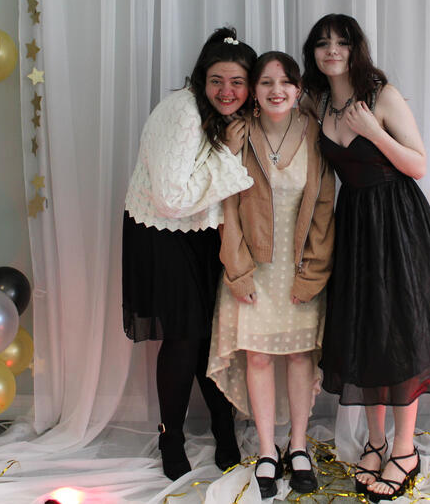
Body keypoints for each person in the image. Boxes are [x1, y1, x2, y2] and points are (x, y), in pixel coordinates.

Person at [301, 14, 430, 502]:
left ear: (357, 48)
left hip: (398, 222)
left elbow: (418, 165)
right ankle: (374, 443)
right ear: (313, 53)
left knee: (402, 332)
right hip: (353, 224)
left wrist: (373, 131)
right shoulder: (316, 102)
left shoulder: (382, 96)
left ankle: (405, 450)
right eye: (323, 43)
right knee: (365, 331)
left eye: (342, 42)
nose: (332, 50)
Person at [122, 27, 257, 481]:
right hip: (163, 232)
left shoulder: (231, 113)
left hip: (202, 232)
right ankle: (171, 436)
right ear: (202, 78)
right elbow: (171, 199)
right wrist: (229, 153)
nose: (227, 91)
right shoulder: (182, 111)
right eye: (217, 80)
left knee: (208, 335)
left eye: (237, 82)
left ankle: (223, 425)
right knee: (183, 337)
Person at [207, 52, 335, 498]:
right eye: (266, 82)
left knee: (300, 357)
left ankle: (298, 446)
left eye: (285, 82)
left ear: (298, 89)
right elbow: (227, 208)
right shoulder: (240, 135)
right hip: (252, 267)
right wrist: (237, 271)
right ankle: (266, 450)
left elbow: (324, 207)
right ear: (254, 92)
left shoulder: (316, 133)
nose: (276, 90)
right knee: (258, 358)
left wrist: (313, 274)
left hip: (299, 269)